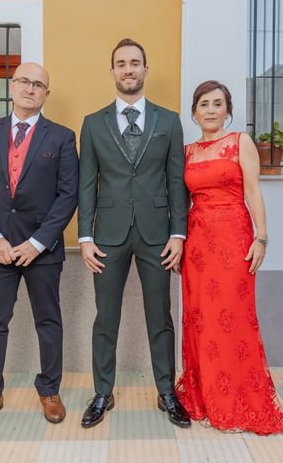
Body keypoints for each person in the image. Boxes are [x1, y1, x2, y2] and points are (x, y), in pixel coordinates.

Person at [77, 39, 190, 429]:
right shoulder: (93, 124)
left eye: (135, 62)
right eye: (121, 63)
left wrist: (178, 234)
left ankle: (166, 392)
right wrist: (85, 238)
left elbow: (177, 180)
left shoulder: (169, 120)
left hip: (158, 235)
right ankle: (103, 393)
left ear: (146, 69)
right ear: (112, 72)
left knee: (160, 315)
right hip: (106, 235)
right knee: (105, 318)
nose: (128, 69)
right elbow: (86, 184)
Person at [0, 62, 79, 429]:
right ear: (12, 87)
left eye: (39, 84)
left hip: (41, 250)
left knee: (49, 319)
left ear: (46, 93)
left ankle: (49, 389)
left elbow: (67, 195)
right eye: (24, 82)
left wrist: (37, 242)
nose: (30, 88)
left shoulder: (61, 137)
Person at [175, 80, 283, 435]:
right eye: (204, 104)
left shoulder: (240, 143)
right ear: (194, 113)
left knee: (234, 318)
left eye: (217, 104)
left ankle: (236, 400)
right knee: (201, 319)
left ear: (228, 110)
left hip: (233, 239)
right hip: (197, 246)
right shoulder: (186, 151)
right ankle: (206, 397)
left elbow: (253, 191)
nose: (211, 110)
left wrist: (263, 238)